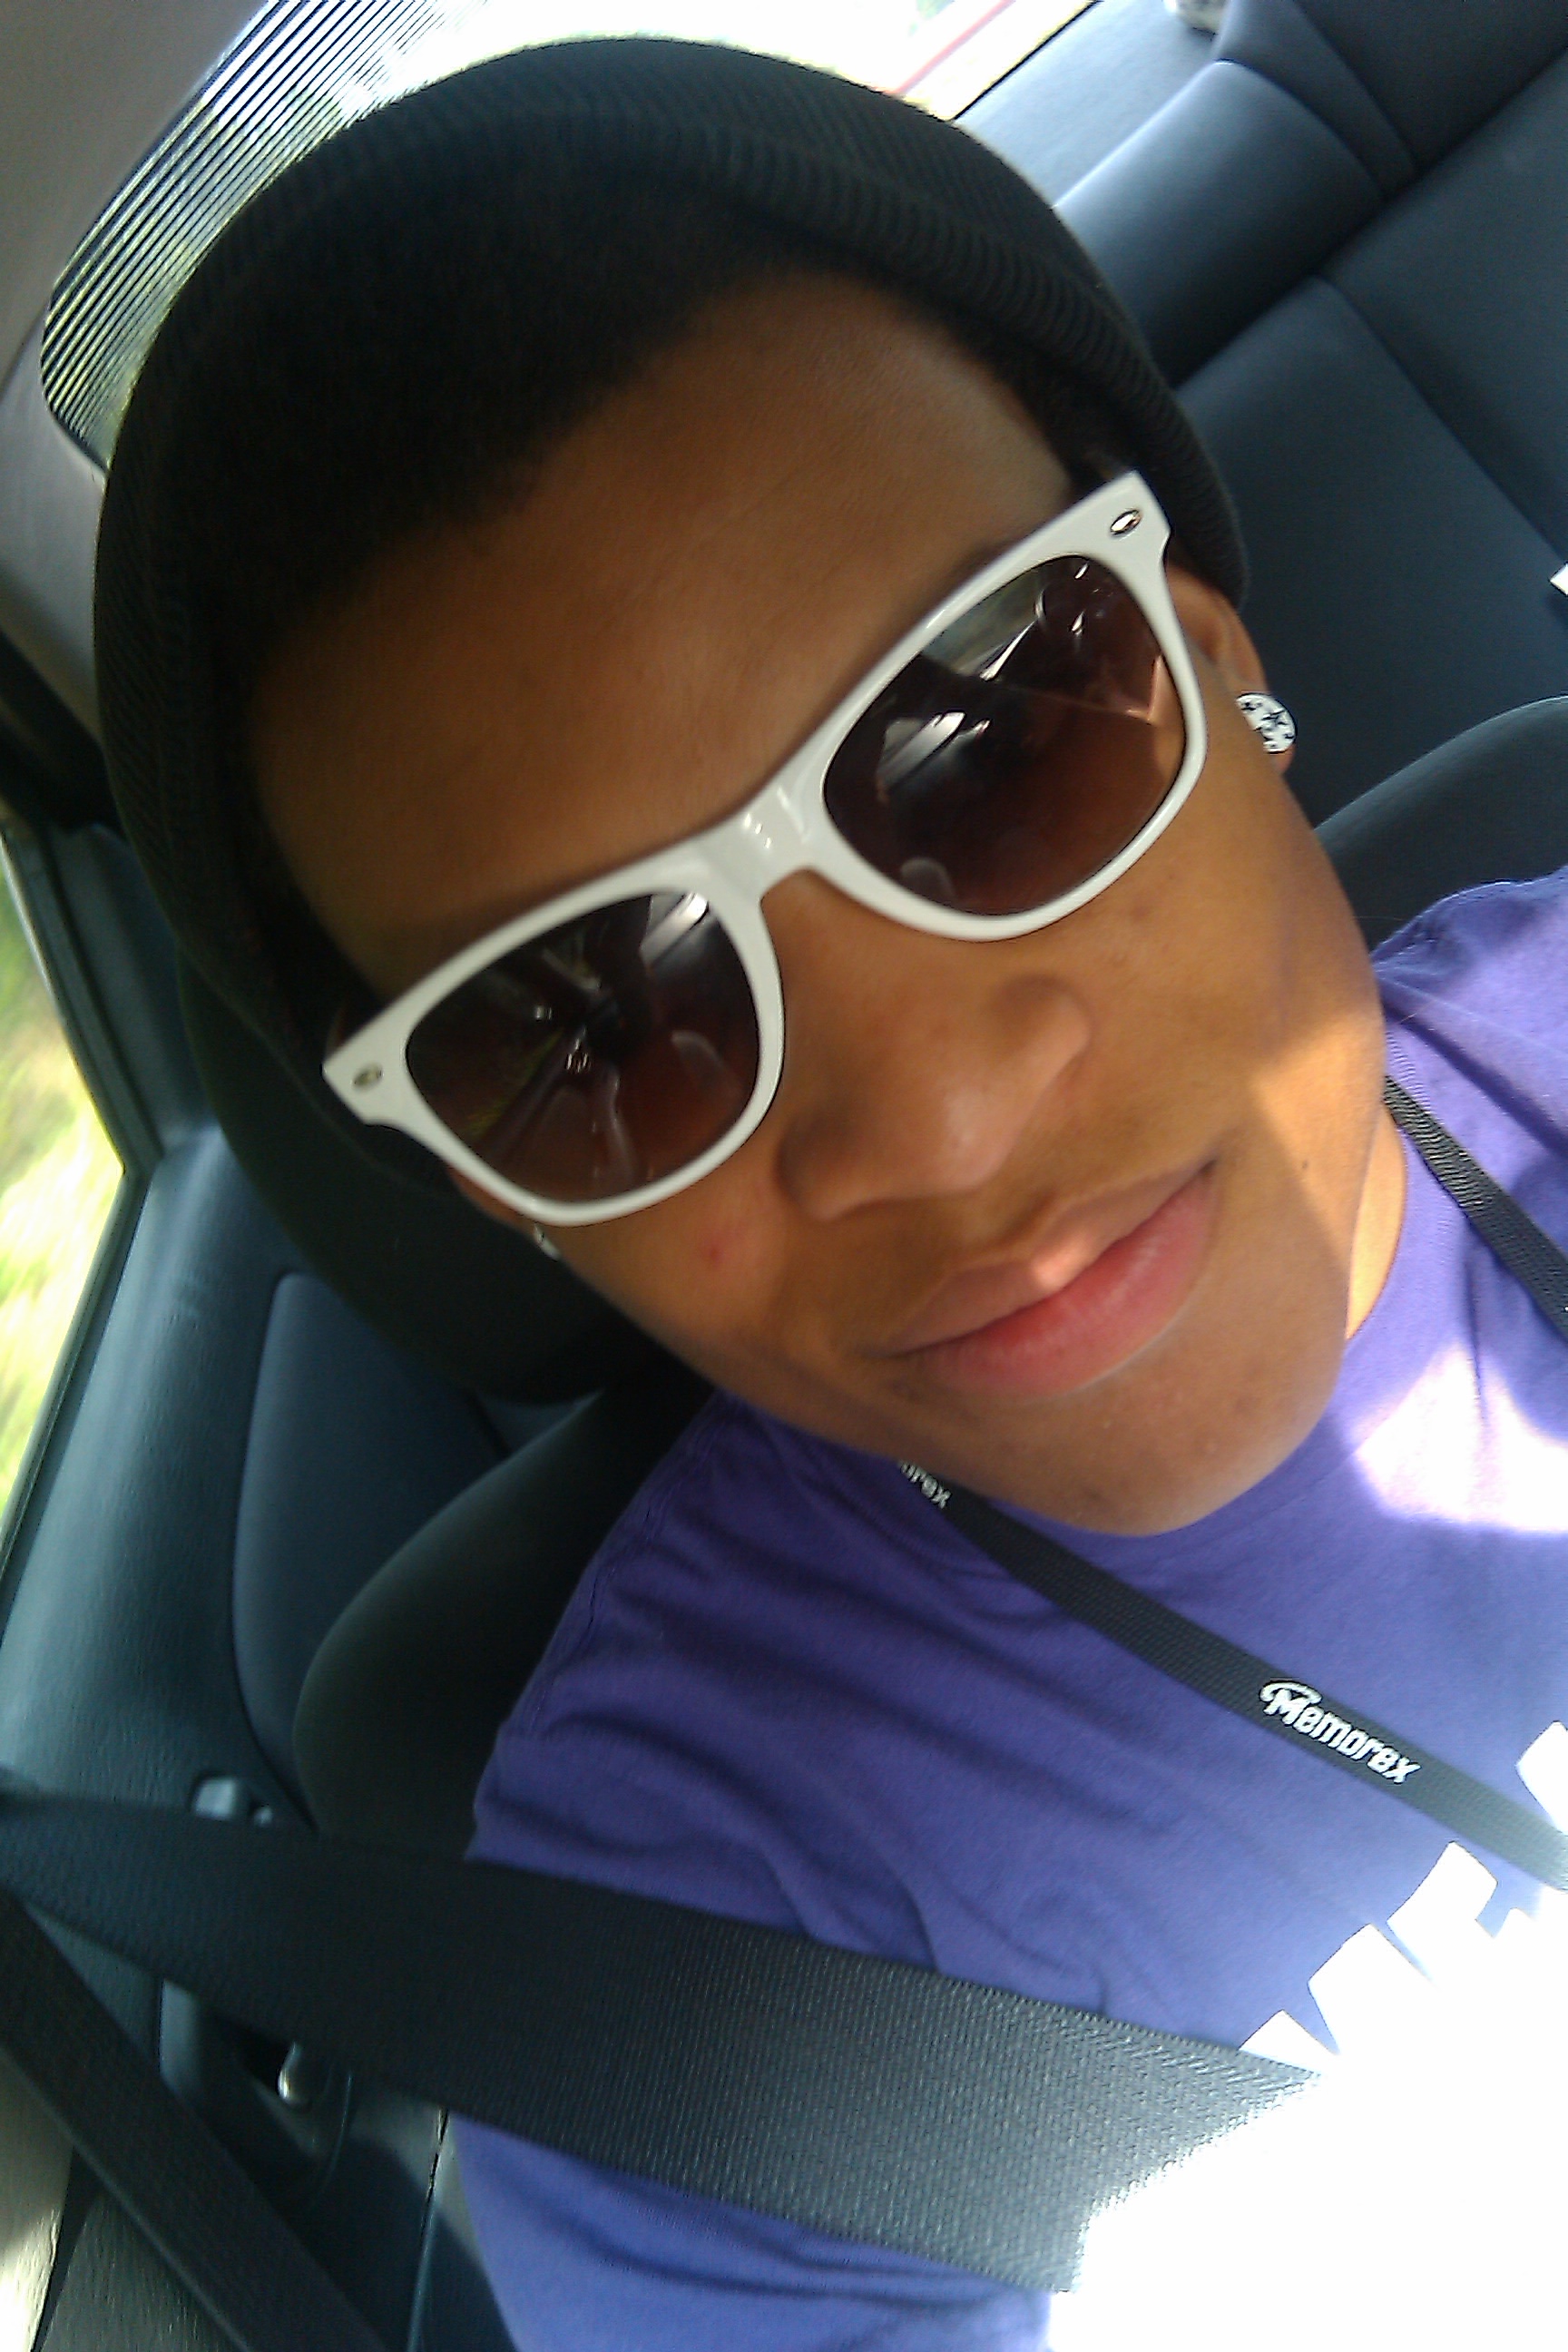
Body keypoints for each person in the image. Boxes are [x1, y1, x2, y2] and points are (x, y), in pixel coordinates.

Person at [95, 35, 1568, 2351]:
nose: (940, 1131)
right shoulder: (695, 1971)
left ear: (1211, 667)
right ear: (492, 1191)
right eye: (585, 1033)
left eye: (994, 738)